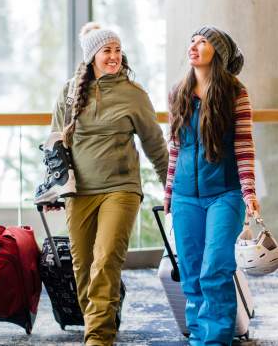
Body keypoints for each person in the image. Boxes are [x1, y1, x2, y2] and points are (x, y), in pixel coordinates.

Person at [47, 23, 168, 345]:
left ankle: (98, 337)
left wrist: (170, 187)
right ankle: (99, 320)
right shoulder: (71, 91)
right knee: (83, 266)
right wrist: (51, 187)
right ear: (92, 57)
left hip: (121, 188)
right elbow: (55, 142)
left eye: (117, 50)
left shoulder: (133, 93)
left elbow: (155, 144)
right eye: (106, 51)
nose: (113, 56)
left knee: (105, 260)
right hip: (79, 191)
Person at [164, 25, 262, 345]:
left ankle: (215, 340)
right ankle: (198, 337)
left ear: (216, 52)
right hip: (185, 197)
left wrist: (248, 191)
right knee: (191, 273)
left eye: (202, 41)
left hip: (225, 194)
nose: (193, 46)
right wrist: (168, 194)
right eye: (191, 40)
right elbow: (175, 148)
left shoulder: (235, 92)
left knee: (215, 269)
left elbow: (244, 146)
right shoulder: (178, 91)